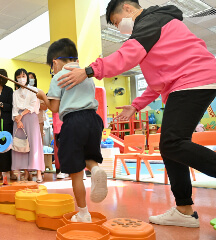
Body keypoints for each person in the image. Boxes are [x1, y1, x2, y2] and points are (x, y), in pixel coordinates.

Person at [57, 0, 216, 228]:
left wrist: (90, 70)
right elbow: (160, 77)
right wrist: (136, 105)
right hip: (185, 82)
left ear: (128, 9)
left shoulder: (151, 21)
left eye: (116, 21)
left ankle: (184, 209)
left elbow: (126, 56)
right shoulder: (155, 28)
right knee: (170, 147)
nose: (118, 26)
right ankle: (184, 210)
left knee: (172, 143)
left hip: (192, 80)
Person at [37, 38, 107, 222]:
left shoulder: (58, 77)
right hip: (94, 120)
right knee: (89, 157)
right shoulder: (86, 76)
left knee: (76, 171)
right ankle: (96, 169)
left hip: (74, 122)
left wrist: (43, 96)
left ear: (54, 62)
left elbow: (54, 108)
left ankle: (83, 213)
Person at [12, 69, 44, 183]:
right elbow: (14, 107)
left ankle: (39, 173)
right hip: (18, 121)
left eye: (23, 75)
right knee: (21, 145)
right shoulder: (15, 93)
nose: (21, 78)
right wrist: (17, 119)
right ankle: (26, 173)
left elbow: (32, 105)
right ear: (16, 78)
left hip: (30, 117)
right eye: (19, 76)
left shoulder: (34, 90)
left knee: (34, 144)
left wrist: (21, 115)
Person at [28, 72, 47, 145]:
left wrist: (34, 103)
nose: (30, 79)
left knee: (38, 142)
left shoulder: (40, 92)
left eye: (32, 77)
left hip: (38, 120)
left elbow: (45, 107)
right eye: (28, 77)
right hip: (27, 120)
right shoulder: (23, 93)